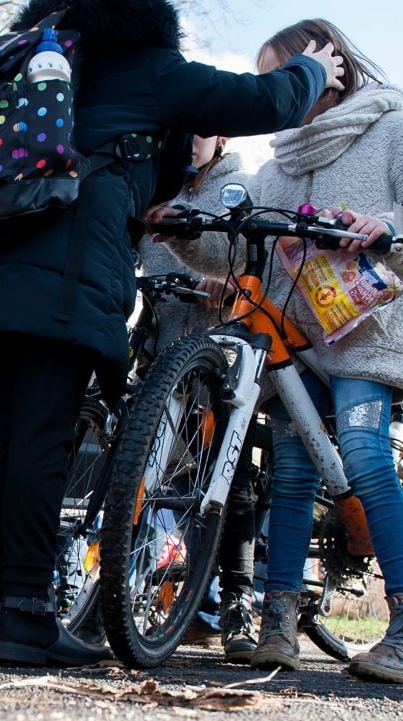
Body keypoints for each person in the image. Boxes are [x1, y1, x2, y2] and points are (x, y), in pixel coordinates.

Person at [0, 0, 344, 667]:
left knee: (7, 444)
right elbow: (260, 101)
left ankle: (12, 613)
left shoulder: (60, 63)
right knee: (38, 445)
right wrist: (310, 68)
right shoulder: (146, 68)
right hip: (59, 288)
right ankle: (24, 620)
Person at [151, 19, 403, 683]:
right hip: (297, 346)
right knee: (290, 475)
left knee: (367, 460)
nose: (272, 88)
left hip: (367, 337)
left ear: (329, 63)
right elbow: (234, 249)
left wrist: (389, 228)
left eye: (278, 71)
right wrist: (178, 233)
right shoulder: (279, 165)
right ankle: (276, 623)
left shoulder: (393, 130)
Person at [138, 135, 260, 664]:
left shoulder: (240, 186)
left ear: (222, 140)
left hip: (221, 361)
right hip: (162, 353)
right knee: (147, 474)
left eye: (202, 131)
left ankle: (237, 603)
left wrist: (230, 283)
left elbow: (261, 260)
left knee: (229, 485)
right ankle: (129, 589)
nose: (191, 141)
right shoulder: (156, 184)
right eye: (184, 129)